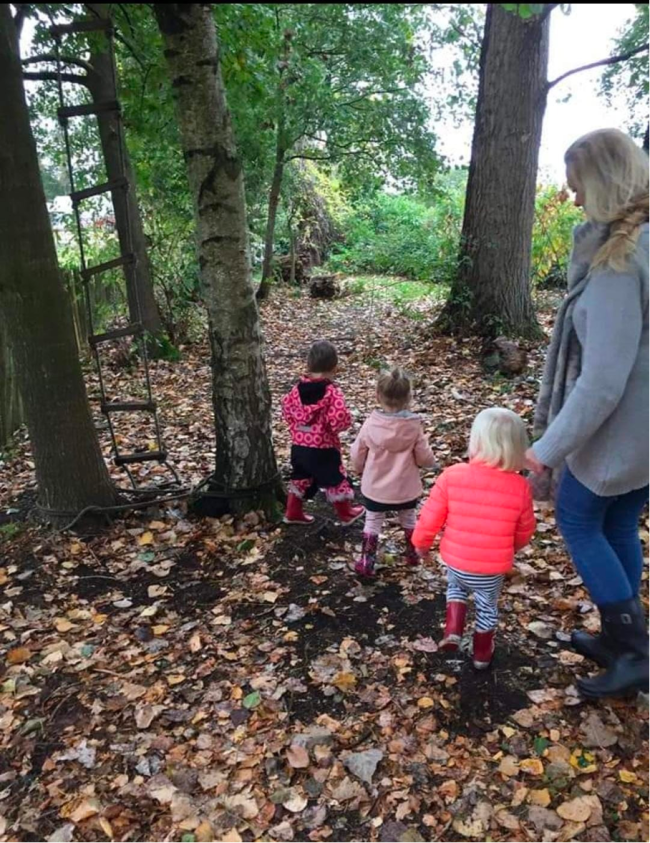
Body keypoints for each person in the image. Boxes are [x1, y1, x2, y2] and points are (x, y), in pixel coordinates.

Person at [526, 129, 650, 699]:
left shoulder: (619, 265)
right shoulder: (643, 243)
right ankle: (624, 640)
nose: (573, 199)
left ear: (603, 185)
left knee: (579, 519)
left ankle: (632, 652)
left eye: (578, 188)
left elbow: (602, 382)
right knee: (619, 523)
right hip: (642, 433)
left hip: (619, 433)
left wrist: (546, 447)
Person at [413, 408, 535, 669]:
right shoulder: (520, 487)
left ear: (476, 441)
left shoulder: (453, 475)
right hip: (491, 569)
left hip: (456, 560)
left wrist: (421, 544)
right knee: (487, 605)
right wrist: (510, 548)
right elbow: (525, 529)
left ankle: (453, 630)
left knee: (456, 588)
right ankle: (481, 653)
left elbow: (430, 517)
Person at [350, 368, 436, 577]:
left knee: (373, 521)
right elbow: (424, 457)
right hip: (405, 489)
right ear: (409, 397)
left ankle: (367, 561)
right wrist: (430, 464)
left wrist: (359, 469)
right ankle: (412, 555)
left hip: (375, 489)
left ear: (378, 395)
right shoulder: (414, 427)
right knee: (408, 518)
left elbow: (357, 453)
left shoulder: (371, 425)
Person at [282, 340, 364, 526]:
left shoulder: (296, 391)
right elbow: (340, 418)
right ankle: (346, 513)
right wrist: (334, 427)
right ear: (334, 366)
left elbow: (287, 411)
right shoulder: (331, 392)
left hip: (300, 445)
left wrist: (298, 425)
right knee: (334, 477)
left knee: (300, 476)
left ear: (309, 364)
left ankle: (292, 512)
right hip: (324, 447)